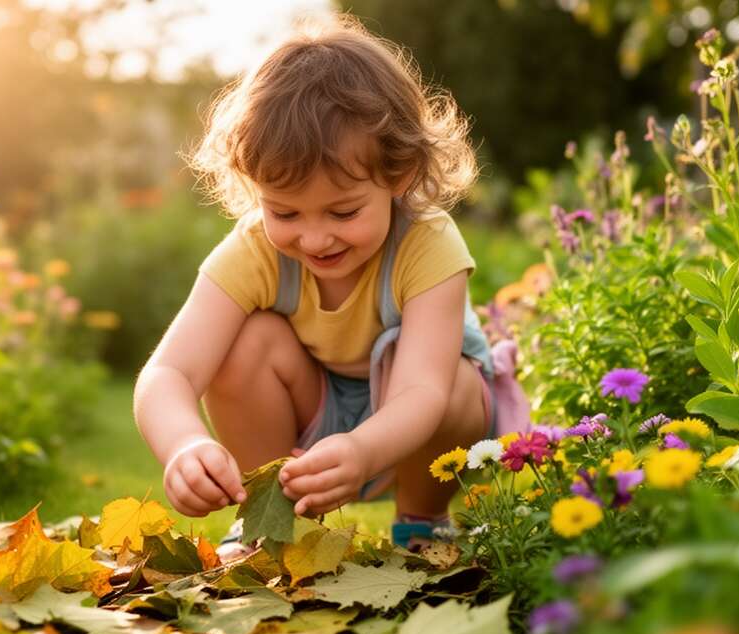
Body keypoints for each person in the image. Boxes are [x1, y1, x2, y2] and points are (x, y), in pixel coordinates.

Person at [133, 14, 526, 556]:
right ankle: (268, 522)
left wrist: (363, 450)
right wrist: (184, 444)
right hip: (315, 404)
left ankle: (421, 522)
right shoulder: (256, 250)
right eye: (286, 212)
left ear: (400, 175)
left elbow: (423, 392)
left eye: (342, 212)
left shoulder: (428, 245)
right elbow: (168, 372)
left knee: (456, 383)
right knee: (244, 344)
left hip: (424, 421)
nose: (315, 239)